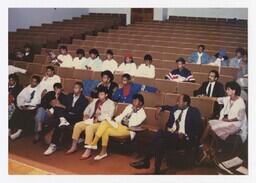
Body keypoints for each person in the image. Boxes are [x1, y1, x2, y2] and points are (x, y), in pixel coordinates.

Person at [130, 94, 202, 174]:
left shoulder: (194, 112)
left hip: (184, 139)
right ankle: (156, 170)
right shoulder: (175, 108)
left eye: (179, 101)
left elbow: (198, 129)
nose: (177, 103)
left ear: (185, 103)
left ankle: (146, 161)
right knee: (160, 142)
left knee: (160, 134)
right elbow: (168, 107)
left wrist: (185, 135)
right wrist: (161, 108)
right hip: (171, 136)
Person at [85, 94, 146, 160]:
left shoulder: (143, 114)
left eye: (135, 101)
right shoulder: (129, 106)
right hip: (119, 125)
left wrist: (134, 112)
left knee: (105, 126)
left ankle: (95, 144)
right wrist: (114, 120)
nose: (133, 102)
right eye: (133, 100)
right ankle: (103, 151)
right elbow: (122, 115)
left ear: (140, 103)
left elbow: (133, 124)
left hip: (128, 129)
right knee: (105, 123)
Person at [66, 86, 115, 159]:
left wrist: (99, 117)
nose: (99, 96)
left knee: (89, 128)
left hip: (101, 123)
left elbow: (109, 116)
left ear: (106, 95)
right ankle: (74, 146)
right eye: (99, 94)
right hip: (91, 120)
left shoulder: (111, 103)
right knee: (77, 125)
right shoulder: (95, 101)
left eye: (102, 94)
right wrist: (86, 114)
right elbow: (87, 109)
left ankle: (88, 149)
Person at [43, 82, 88, 155]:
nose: (74, 89)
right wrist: (62, 106)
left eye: (76, 88)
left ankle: (53, 145)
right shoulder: (69, 96)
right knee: (58, 111)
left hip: (75, 118)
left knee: (58, 120)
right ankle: (54, 144)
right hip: (66, 116)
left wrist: (65, 107)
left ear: (81, 89)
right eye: (74, 88)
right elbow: (61, 104)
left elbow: (77, 111)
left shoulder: (84, 100)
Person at [200, 81, 247, 147]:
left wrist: (229, 120)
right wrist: (205, 97)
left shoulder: (240, 102)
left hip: (236, 124)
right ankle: (216, 146)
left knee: (210, 126)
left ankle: (200, 143)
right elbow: (216, 99)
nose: (226, 91)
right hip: (226, 121)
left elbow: (240, 118)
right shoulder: (228, 99)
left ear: (234, 91)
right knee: (210, 125)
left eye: (228, 89)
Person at [9, 75, 42, 140]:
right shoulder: (27, 88)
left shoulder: (39, 90)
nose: (32, 83)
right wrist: (21, 105)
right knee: (17, 111)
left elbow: (37, 101)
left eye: (34, 82)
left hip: (32, 108)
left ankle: (19, 132)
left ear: (38, 83)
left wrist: (28, 106)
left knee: (26, 113)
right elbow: (20, 97)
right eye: (32, 81)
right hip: (24, 106)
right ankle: (8, 129)